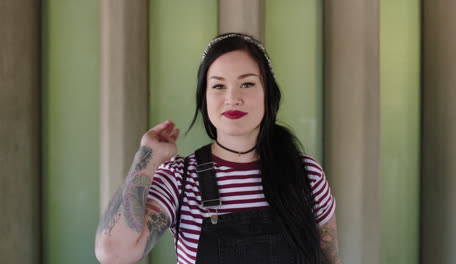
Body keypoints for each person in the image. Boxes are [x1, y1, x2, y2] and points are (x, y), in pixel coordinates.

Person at [95, 32, 342, 264]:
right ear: (204, 98)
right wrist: (146, 159)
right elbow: (114, 253)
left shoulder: (305, 173)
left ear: (269, 94)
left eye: (247, 84)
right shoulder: (181, 178)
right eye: (218, 86)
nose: (232, 98)